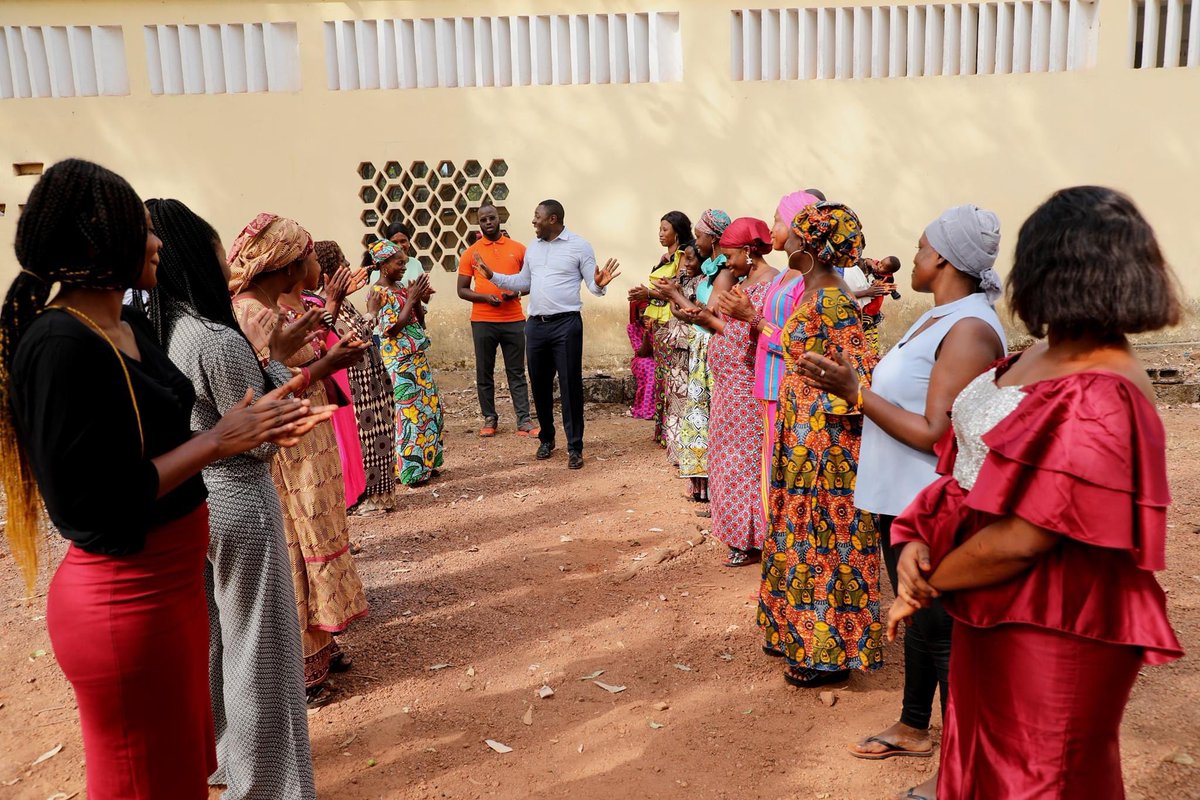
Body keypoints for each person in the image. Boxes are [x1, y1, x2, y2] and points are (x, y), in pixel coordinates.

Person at [0, 160, 326, 799]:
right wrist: (219, 440)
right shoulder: (60, 345)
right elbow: (92, 501)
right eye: (142, 229)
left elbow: (167, 431)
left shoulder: (125, 329)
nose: (156, 244)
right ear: (100, 244)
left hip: (171, 594)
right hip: (126, 604)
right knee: (143, 783)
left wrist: (248, 420)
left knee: (180, 778)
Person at [886, 186, 1184, 799]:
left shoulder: (1105, 391)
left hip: (1055, 623)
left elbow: (1026, 536)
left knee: (1042, 776)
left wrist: (929, 577)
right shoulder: (1042, 353)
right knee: (986, 764)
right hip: (991, 606)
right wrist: (918, 536)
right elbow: (969, 466)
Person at [802, 206, 1007, 796]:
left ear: (942, 259)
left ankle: (965, 769)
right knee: (917, 615)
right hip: (902, 499)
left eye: (920, 249)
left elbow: (934, 432)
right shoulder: (939, 317)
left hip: (931, 502)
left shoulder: (968, 328)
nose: (911, 259)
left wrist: (854, 391)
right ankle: (916, 724)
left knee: (945, 632)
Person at [144, 197, 324, 800]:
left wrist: (272, 357)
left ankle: (226, 760)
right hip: (241, 501)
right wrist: (288, 373)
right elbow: (258, 438)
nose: (230, 260)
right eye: (219, 248)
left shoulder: (166, 331)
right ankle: (268, 786)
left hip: (199, 505)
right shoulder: (214, 338)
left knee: (220, 645)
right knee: (262, 650)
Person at [229, 213, 370, 702]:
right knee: (300, 539)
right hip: (290, 451)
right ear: (288, 264)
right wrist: (325, 363)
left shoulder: (276, 307)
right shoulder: (252, 314)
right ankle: (307, 662)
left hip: (308, 440)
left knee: (318, 534)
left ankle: (322, 642)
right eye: (309, 254)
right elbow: (265, 383)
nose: (315, 262)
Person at [755, 202, 881, 687]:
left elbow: (857, 378)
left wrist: (822, 437)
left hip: (825, 448)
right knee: (796, 533)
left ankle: (825, 652)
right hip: (803, 438)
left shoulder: (832, 301)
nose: (780, 239)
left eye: (790, 233)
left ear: (810, 246)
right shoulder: (815, 294)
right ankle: (792, 630)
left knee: (823, 541)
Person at [659, 218, 776, 566]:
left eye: (729, 255)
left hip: (745, 385)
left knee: (743, 463)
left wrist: (710, 321)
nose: (724, 262)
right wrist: (695, 313)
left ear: (748, 251)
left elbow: (749, 335)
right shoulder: (744, 281)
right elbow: (721, 323)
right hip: (726, 384)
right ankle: (738, 533)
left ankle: (751, 538)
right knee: (725, 458)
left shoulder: (771, 286)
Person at [475, 199, 621, 469]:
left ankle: (575, 446)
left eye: (537, 216)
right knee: (539, 386)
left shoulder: (579, 246)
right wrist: (493, 276)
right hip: (536, 325)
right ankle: (547, 438)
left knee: (569, 386)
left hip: (566, 325)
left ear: (552, 219)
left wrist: (599, 284)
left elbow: (593, 284)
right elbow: (523, 282)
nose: (533, 221)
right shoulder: (533, 248)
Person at [722, 191, 820, 529]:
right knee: (772, 470)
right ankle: (775, 540)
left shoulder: (809, 280)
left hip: (788, 388)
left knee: (788, 472)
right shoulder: (784, 276)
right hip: (768, 386)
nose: (772, 226)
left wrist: (753, 319)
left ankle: (787, 541)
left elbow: (801, 343)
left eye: (778, 219)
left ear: (796, 227)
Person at [314, 241, 398, 514]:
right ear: (328, 270)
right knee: (368, 440)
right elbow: (355, 339)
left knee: (380, 435)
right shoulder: (324, 305)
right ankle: (368, 499)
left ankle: (380, 496)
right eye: (342, 261)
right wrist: (372, 312)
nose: (349, 265)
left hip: (369, 380)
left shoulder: (340, 300)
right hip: (357, 384)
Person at [290, 253, 367, 510]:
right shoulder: (286, 309)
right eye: (312, 259)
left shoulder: (309, 300)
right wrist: (334, 300)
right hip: (312, 389)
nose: (317, 266)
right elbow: (314, 342)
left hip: (330, 381)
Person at [369, 239, 445, 486]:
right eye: (399, 262)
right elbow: (390, 329)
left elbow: (418, 322)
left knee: (429, 410)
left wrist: (419, 300)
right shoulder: (377, 293)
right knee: (409, 415)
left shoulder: (401, 286)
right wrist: (411, 299)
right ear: (383, 265)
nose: (404, 266)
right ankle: (410, 472)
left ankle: (428, 462)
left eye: (405, 262)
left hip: (417, 358)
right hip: (399, 362)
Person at [458, 203, 535, 437]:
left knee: (517, 372)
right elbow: (462, 290)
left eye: (492, 218)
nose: (488, 222)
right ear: (478, 223)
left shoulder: (519, 249)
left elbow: (532, 282)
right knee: (484, 371)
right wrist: (484, 298)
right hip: (483, 321)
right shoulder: (471, 253)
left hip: (514, 319)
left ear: (499, 218)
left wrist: (518, 293)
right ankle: (489, 419)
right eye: (483, 220)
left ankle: (524, 420)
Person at [674, 210, 732, 505]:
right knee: (698, 412)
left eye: (700, 235)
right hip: (701, 345)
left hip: (712, 347)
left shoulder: (725, 272)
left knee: (708, 413)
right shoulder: (711, 271)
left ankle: (713, 484)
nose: (696, 241)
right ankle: (700, 483)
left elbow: (709, 315)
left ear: (714, 238)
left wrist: (675, 296)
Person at [843, 255, 901, 354]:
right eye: (880, 263)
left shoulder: (887, 278)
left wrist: (878, 286)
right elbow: (867, 261)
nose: (879, 266)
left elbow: (881, 288)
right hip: (854, 308)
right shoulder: (865, 265)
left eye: (883, 267)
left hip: (867, 308)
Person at [627, 298, 656, 419]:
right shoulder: (632, 328)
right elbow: (642, 353)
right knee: (651, 369)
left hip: (658, 357)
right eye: (642, 312)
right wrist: (646, 334)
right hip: (641, 360)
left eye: (648, 312)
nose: (645, 315)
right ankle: (647, 410)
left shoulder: (660, 324)